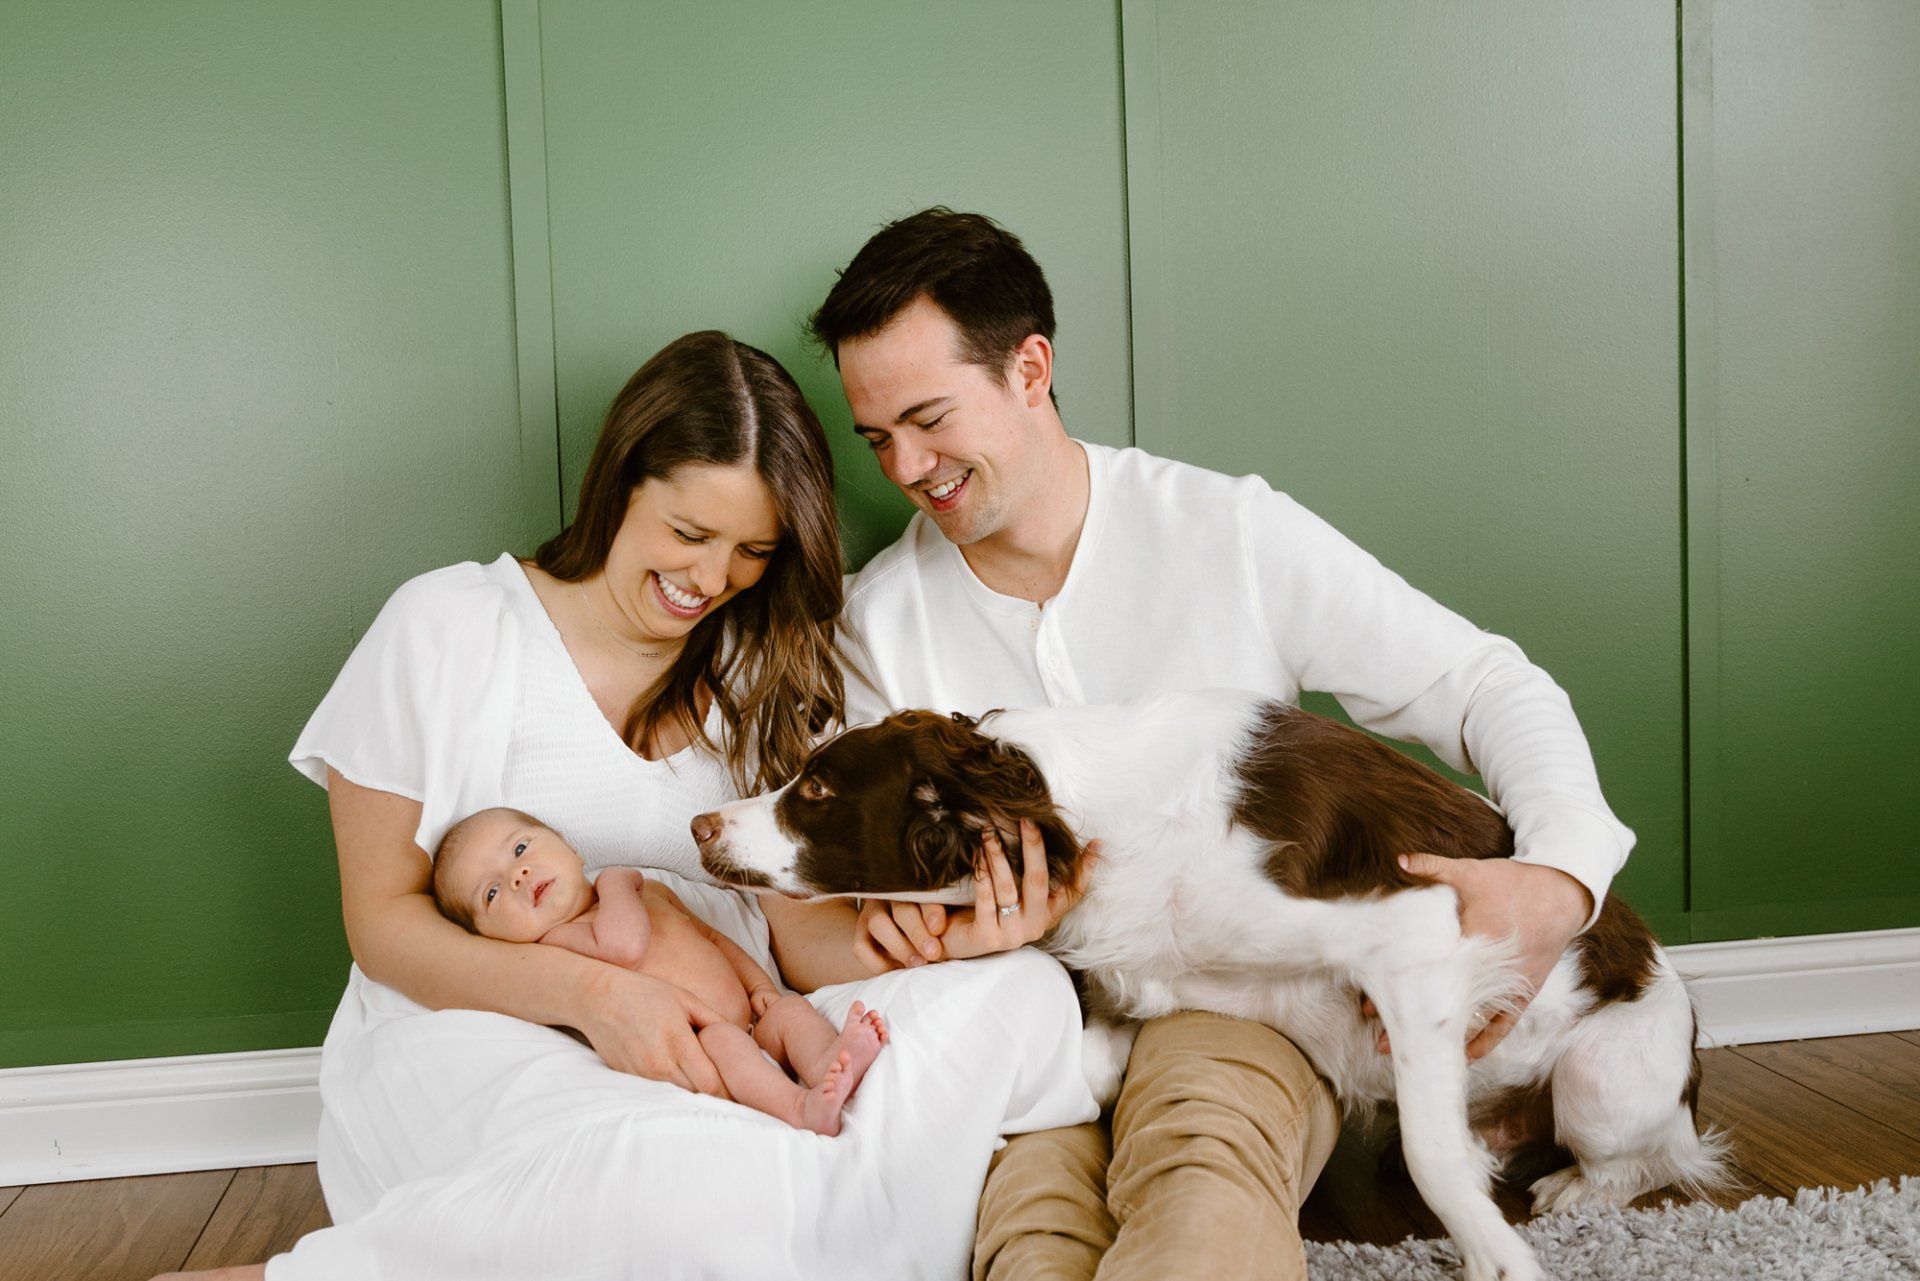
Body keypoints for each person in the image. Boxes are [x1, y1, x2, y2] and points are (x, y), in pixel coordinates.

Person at [154, 330, 1096, 1281]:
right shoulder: (448, 628)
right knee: (668, 1178)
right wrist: (602, 997)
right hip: (499, 1025)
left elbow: (796, 940)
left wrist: (943, 943)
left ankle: (800, 1221)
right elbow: (385, 925)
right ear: (620, 481)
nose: (711, 578)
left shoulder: (762, 667)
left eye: (752, 551)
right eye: (689, 533)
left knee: (1020, 996)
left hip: (744, 1015)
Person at [814, 209, 1635, 1281]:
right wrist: (958, 937)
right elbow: (856, 909)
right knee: (1029, 1227)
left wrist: (1560, 880)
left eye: (927, 419)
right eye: (877, 438)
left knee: (1204, 1176)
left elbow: (1486, 684)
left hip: (1254, 1008)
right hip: (1038, 1025)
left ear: (1029, 369)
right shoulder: (879, 627)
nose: (905, 467)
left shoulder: (1227, 532)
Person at [431, 806, 889, 1136]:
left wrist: (759, 985)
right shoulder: (558, 942)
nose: (517, 875)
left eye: (521, 847)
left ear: (570, 848)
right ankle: (800, 1107)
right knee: (726, 1041)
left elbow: (711, 940)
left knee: (790, 1013)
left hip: (750, 1021)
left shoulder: (652, 891)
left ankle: (828, 1061)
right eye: (491, 893)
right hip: (698, 1043)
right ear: (491, 939)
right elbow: (624, 946)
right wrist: (615, 885)